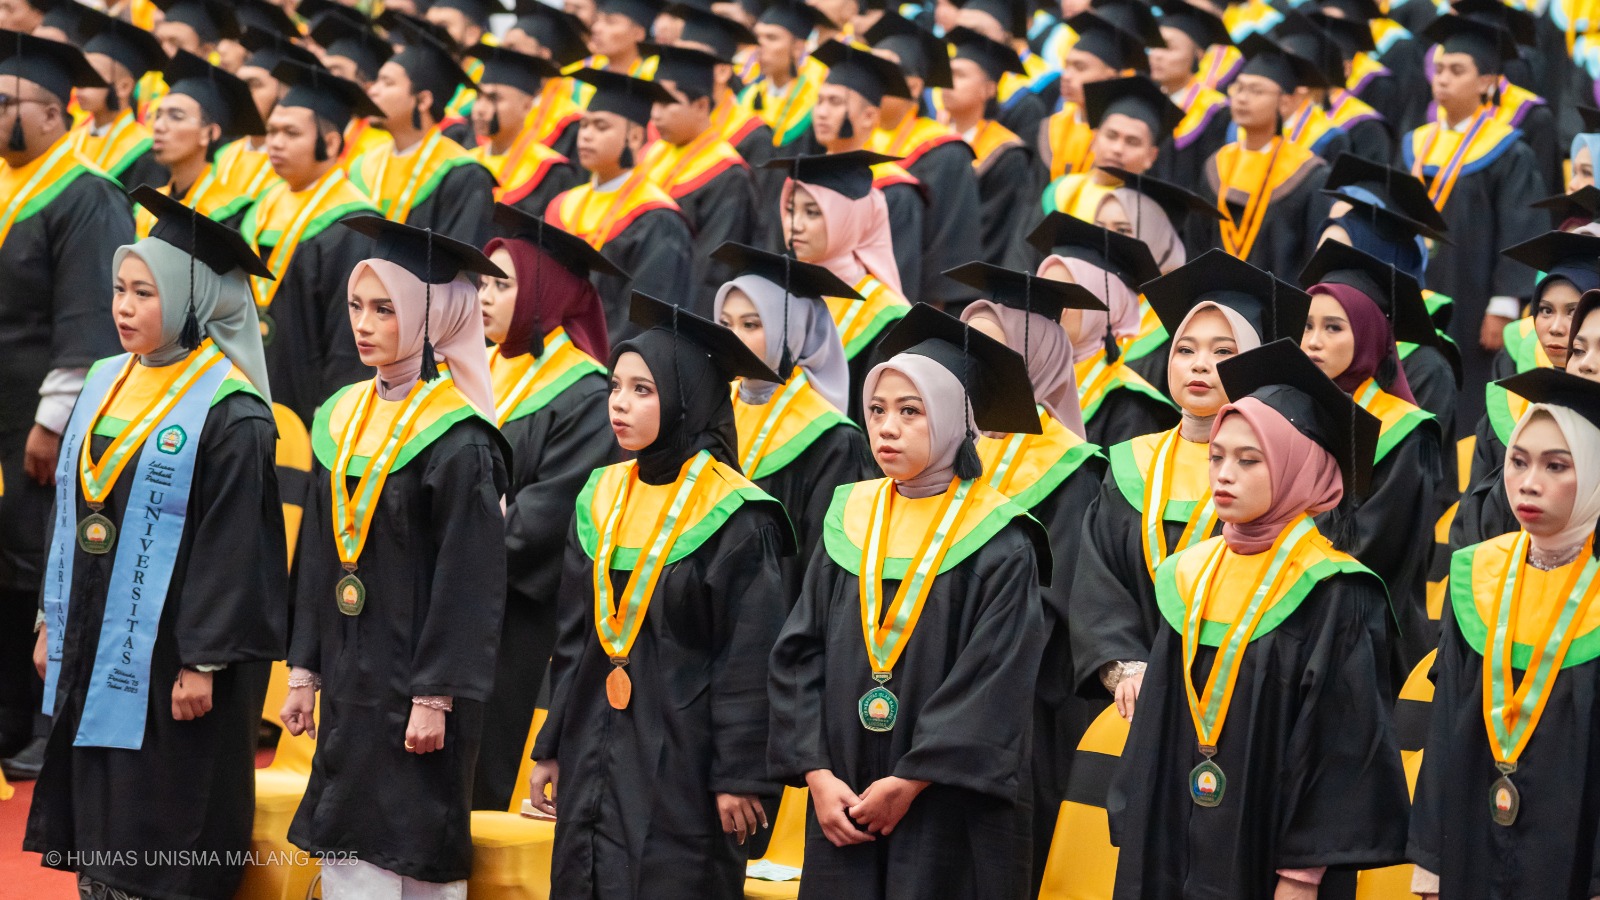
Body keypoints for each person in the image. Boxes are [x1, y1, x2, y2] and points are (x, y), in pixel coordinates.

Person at [24, 186, 286, 900]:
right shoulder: (107, 382)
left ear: (191, 299)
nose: (124, 307)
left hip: (180, 655)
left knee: (168, 814)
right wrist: (53, 616)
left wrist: (203, 659)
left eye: (145, 291)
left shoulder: (233, 414)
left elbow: (235, 552)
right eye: (119, 289)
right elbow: (72, 508)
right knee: (101, 811)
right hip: (98, 637)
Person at [768, 303, 1052, 900]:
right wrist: (818, 775)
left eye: (910, 411)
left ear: (953, 418)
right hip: (842, 805)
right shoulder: (850, 516)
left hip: (947, 811)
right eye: (876, 410)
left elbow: (992, 685)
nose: (886, 428)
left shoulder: (1001, 539)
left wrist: (909, 781)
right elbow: (799, 652)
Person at [1107, 338, 1409, 900]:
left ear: (1303, 469)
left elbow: (1340, 746)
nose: (1224, 474)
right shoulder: (1189, 575)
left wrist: (1302, 874)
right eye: (1217, 456)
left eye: (1250, 460)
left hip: (1275, 859)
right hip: (1171, 843)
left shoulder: (1334, 591)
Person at [526, 293, 793, 900]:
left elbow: (747, 661)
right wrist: (553, 745)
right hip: (592, 747)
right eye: (616, 385)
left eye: (643, 390)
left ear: (685, 398)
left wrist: (738, 776)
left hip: (685, 766)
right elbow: (574, 641)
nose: (620, 403)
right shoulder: (601, 496)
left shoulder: (737, 517)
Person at [281, 218, 511, 899]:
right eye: (357, 306)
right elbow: (320, 553)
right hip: (352, 677)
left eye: (386, 308)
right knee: (348, 846)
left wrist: (435, 696)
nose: (365, 324)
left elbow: (468, 582)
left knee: (416, 855)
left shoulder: (460, 439)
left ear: (431, 315)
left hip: (420, 689)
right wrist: (302, 668)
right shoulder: (341, 416)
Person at [1070, 248, 1305, 735]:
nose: (1200, 365)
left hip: (1239, 702)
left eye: (1224, 352)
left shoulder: (1283, 474)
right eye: (1185, 349)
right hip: (1131, 706)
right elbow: (1100, 580)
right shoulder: (1131, 463)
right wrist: (1126, 666)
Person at [950, 261, 1113, 894]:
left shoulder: (1074, 474)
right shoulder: (949, 448)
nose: (979, 362)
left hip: (1021, 712)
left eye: (997, 346)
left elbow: (1058, 606)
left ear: (1037, 355)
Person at [1410, 368, 1600, 900]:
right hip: (1469, 844)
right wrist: (1430, 864)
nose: (1529, 482)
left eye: (1556, 465)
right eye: (1518, 461)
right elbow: (1445, 725)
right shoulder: (1477, 575)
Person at [0, 30, 134, 780]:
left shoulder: (86, 194)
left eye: (5, 102)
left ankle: (40, 722)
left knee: (36, 568)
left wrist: (55, 420)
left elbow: (87, 317)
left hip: (37, 421)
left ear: (53, 113)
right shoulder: (5, 186)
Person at [471, 205, 620, 812]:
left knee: (485, 777)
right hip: (454, 611)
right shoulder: (471, 369)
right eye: (481, 280)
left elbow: (543, 518)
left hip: (519, 623)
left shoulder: (584, 395)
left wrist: (454, 538)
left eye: (503, 284)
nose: (484, 296)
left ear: (543, 291)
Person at [1299, 240, 1445, 676]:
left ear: (1368, 334)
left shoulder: (1406, 432)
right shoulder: (1286, 410)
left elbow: (1375, 545)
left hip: (1366, 638)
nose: (1313, 342)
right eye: (1307, 326)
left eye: (1333, 328)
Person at [712, 241, 874, 611]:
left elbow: (821, 567)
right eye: (725, 323)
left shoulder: (832, 441)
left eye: (751, 324)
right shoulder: (709, 409)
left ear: (792, 330)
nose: (732, 338)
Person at [1402, 14, 1545, 429]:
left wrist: (1503, 305)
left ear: (1487, 82)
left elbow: (1520, 226)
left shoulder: (1507, 150)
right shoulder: (1416, 142)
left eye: (1457, 71)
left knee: (1466, 392)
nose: (1442, 78)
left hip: (1473, 293)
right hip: (1419, 286)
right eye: (1440, 69)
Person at [240, 59, 383, 425]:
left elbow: (348, 339)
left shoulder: (355, 224)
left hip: (310, 409)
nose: (275, 143)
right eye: (272, 131)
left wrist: (335, 414)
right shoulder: (261, 207)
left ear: (331, 142)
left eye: (291, 133)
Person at [1451, 231, 1600, 552]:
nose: (1557, 327)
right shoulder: (1514, 401)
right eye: (1545, 310)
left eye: (1574, 311)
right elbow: (1476, 523)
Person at [544, 68, 694, 336]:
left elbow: (644, 317)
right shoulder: (563, 205)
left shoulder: (658, 220)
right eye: (584, 125)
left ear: (634, 137)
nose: (586, 135)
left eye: (601, 126)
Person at [771, 150, 910, 424]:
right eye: (790, 210)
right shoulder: (778, 294)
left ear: (847, 219)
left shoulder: (887, 319)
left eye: (812, 213)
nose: (794, 226)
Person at [863, 13, 984, 307]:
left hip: (908, 308)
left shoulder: (946, 154)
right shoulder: (860, 141)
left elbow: (949, 255)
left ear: (915, 87)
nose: (871, 81)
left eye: (885, 73)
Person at [1031, 212, 1180, 447]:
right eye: (1043, 292)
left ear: (1103, 309)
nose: (1052, 306)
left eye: (1066, 294)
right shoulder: (1025, 381)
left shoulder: (1130, 403)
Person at [352, 24, 496, 249]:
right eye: (377, 80)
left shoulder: (464, 176)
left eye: (387, 83)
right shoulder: (362, 167)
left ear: (423, 101)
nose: (373, 91)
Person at [1201, 33, 1333, 275]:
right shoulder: (1216, 164)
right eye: (1238, 88)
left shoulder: (1310, 175)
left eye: (1256, 91)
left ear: (1285, 103)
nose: (1242, 98)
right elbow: (1197, 243)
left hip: (1278, 305)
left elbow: (1312, 255)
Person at [809, 40, 928, 302]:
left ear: (869, 117)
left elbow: (896, 285)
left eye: (835, 102)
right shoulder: (806, 178)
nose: (821, 112)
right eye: (819, 101)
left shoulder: (894, 191)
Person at [640, 44, 758, 297]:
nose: (654, 114)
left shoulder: (729, 177)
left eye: (667, 103)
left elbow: (711, 272)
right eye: (653, 102)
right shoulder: (652, 155)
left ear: (702, 106)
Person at [136, 52, 264, 238]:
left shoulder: (231, 214)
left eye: (176, 116)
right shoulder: (147, 205)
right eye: (158, 115)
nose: (159, 126)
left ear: (210, 133)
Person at [942, 27, 1038, 271]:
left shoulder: (1007, 155)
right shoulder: (929, 138)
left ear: (989, 89)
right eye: (948, 73)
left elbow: (994, 233)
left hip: (964, 278)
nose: (948, 83)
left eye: (960, 75)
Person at [464, 44, 582, 223]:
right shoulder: (465, 164)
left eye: (494, 99)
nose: (480, 109)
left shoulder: (554, 174)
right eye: (479, 97)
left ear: (527, 106)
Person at [1042, 5, 1159, 183]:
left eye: (1080, 68)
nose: (1066, 76)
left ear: (1111, 78)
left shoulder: (1127, 139)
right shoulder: (1052, 129)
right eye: (1067, 65)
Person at [1042, 75, 1183, 222]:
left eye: (1132, 142)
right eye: (1111, 136)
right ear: (1094, 140)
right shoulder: (1061, 191)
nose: (1118, 149)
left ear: (1151, 156)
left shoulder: (1153, 216)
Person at [71, 6, 169, 191]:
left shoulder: (146, 154)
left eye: (93, 75)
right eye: (82, 73)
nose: (81, 84)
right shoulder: (71, 140)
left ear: (123, 87)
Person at [1149, 0, 1234, 194]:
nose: (1156, 55)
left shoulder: (1216, 113)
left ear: (1199, 54)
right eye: (1155, 45)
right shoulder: (1143, 99)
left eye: (1169, 48)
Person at [737, 0, 829, 152]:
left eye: (771, 38)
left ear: (798, 48)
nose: (760, 46)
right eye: (758, 38)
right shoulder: (747, 97)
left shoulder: (816, 100)